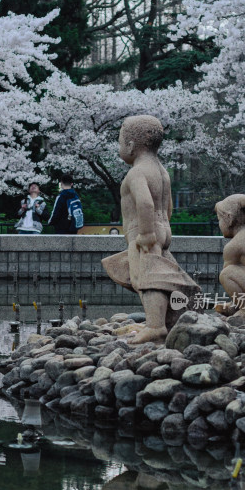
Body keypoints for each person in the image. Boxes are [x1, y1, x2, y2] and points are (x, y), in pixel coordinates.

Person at [101, 115, 199, 343]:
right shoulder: (162, 171)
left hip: (143, 232)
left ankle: (155, 326)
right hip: (162, 228)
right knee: (161, 275)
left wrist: (145, 233)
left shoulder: (136, 173)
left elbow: (145, 202)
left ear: (130, 145)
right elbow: (168, 205)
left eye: (119, 141)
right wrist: (163, 227)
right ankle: (169, 317)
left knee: (148, 279)